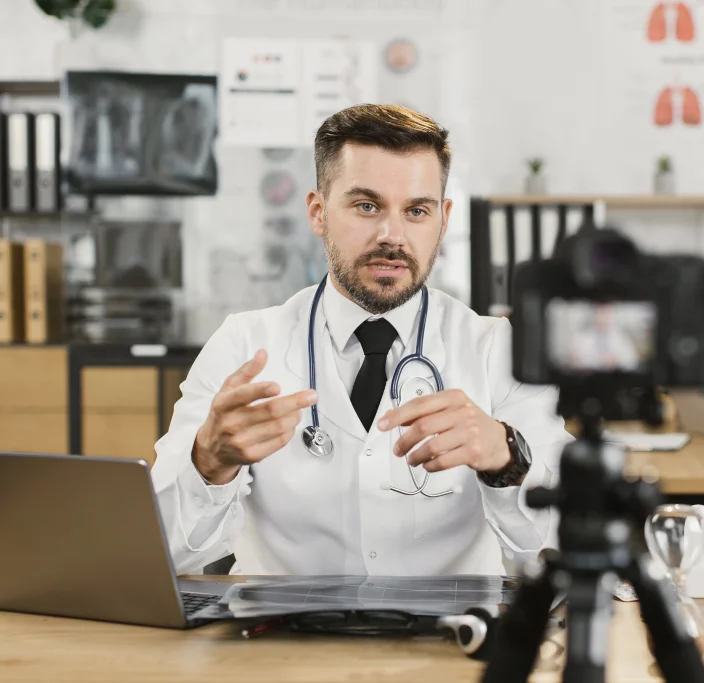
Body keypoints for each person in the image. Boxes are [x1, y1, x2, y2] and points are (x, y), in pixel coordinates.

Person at [151, 104, 572, 577]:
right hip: (281, 643)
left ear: (443, 218)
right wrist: (208, 462)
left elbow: (558, 555)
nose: (392, 236)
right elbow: (162, 554)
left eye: (417, 210)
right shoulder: (244, 345)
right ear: (317, 212)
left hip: (451, 642)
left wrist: (506, 459)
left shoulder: (499, 351)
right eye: (366, 206)